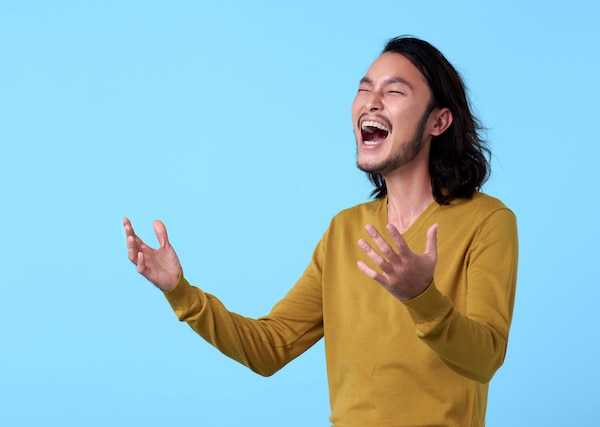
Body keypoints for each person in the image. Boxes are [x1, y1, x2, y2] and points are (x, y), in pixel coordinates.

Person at [123, 36, 518, 427]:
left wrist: (421, 296)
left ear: (439, 121)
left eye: (394, 91)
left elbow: (485, 360)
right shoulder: (345, 230)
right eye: (364, 89)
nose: (371, 101)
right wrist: (181, 292)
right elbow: (270, 347)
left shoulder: (487, 222)